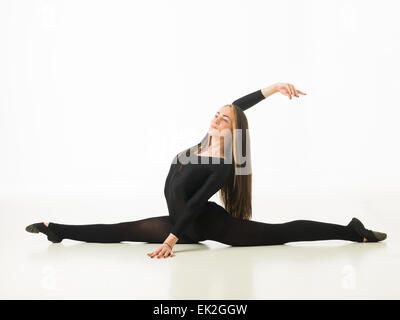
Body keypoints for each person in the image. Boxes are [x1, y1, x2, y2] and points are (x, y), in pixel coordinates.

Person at [25, 83, 387, 259]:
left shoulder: (226, 162)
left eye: (224, 118)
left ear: (234, 129)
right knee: (119, 230)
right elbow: (238, 105)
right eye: (216, 113)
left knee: (282, 233)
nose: (216, 117)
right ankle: (56, 230)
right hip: (182, 222)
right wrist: (275, 88)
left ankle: (352, 232)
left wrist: (172, 241)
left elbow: (197, 201)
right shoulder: (202, 143)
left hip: (205, 224)